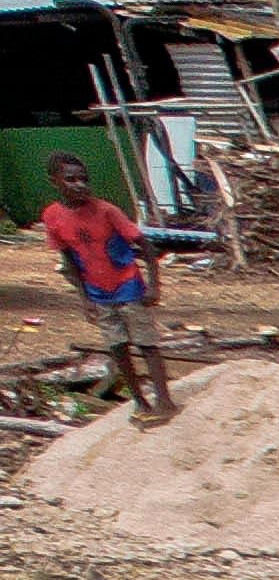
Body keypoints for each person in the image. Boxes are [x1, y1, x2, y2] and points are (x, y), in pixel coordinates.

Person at [38, 157, 170, 427]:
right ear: (55, 182)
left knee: (147, 344)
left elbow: (145, 246)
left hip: (129, 286)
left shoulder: (106, 211)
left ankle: (165, 401)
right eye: (71, 180)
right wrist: (84, 298)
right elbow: (69, 260)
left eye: (84, 179)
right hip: (98, 292)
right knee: (118, 348)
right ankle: (141, 402)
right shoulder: (52, 216)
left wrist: (153, 284)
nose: (80, 185)